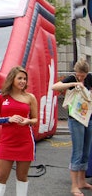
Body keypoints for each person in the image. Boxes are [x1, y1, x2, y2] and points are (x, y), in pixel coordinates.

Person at [0, 66, 38, 196]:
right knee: (1, 176)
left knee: (22, 177)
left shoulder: (30, 97)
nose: (23, 81)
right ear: (12, 79)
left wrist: (28, 121)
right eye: (20, 78)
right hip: (6, 143)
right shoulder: (0, 97)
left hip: (25, 142)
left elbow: (35, 119)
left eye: (25, 79)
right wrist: (9, 119)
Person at [52, 59, 92, 196]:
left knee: (86, 150)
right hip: (75, 118)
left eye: (83, 75)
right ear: (76, 72)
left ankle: (81, 181)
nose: (81, 77)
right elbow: (54, 87)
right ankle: (74, 185)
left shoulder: (89, 78)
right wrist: (74, 83)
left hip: (88, 118)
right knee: (78, 151)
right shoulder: (73, 78)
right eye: (79, 74)